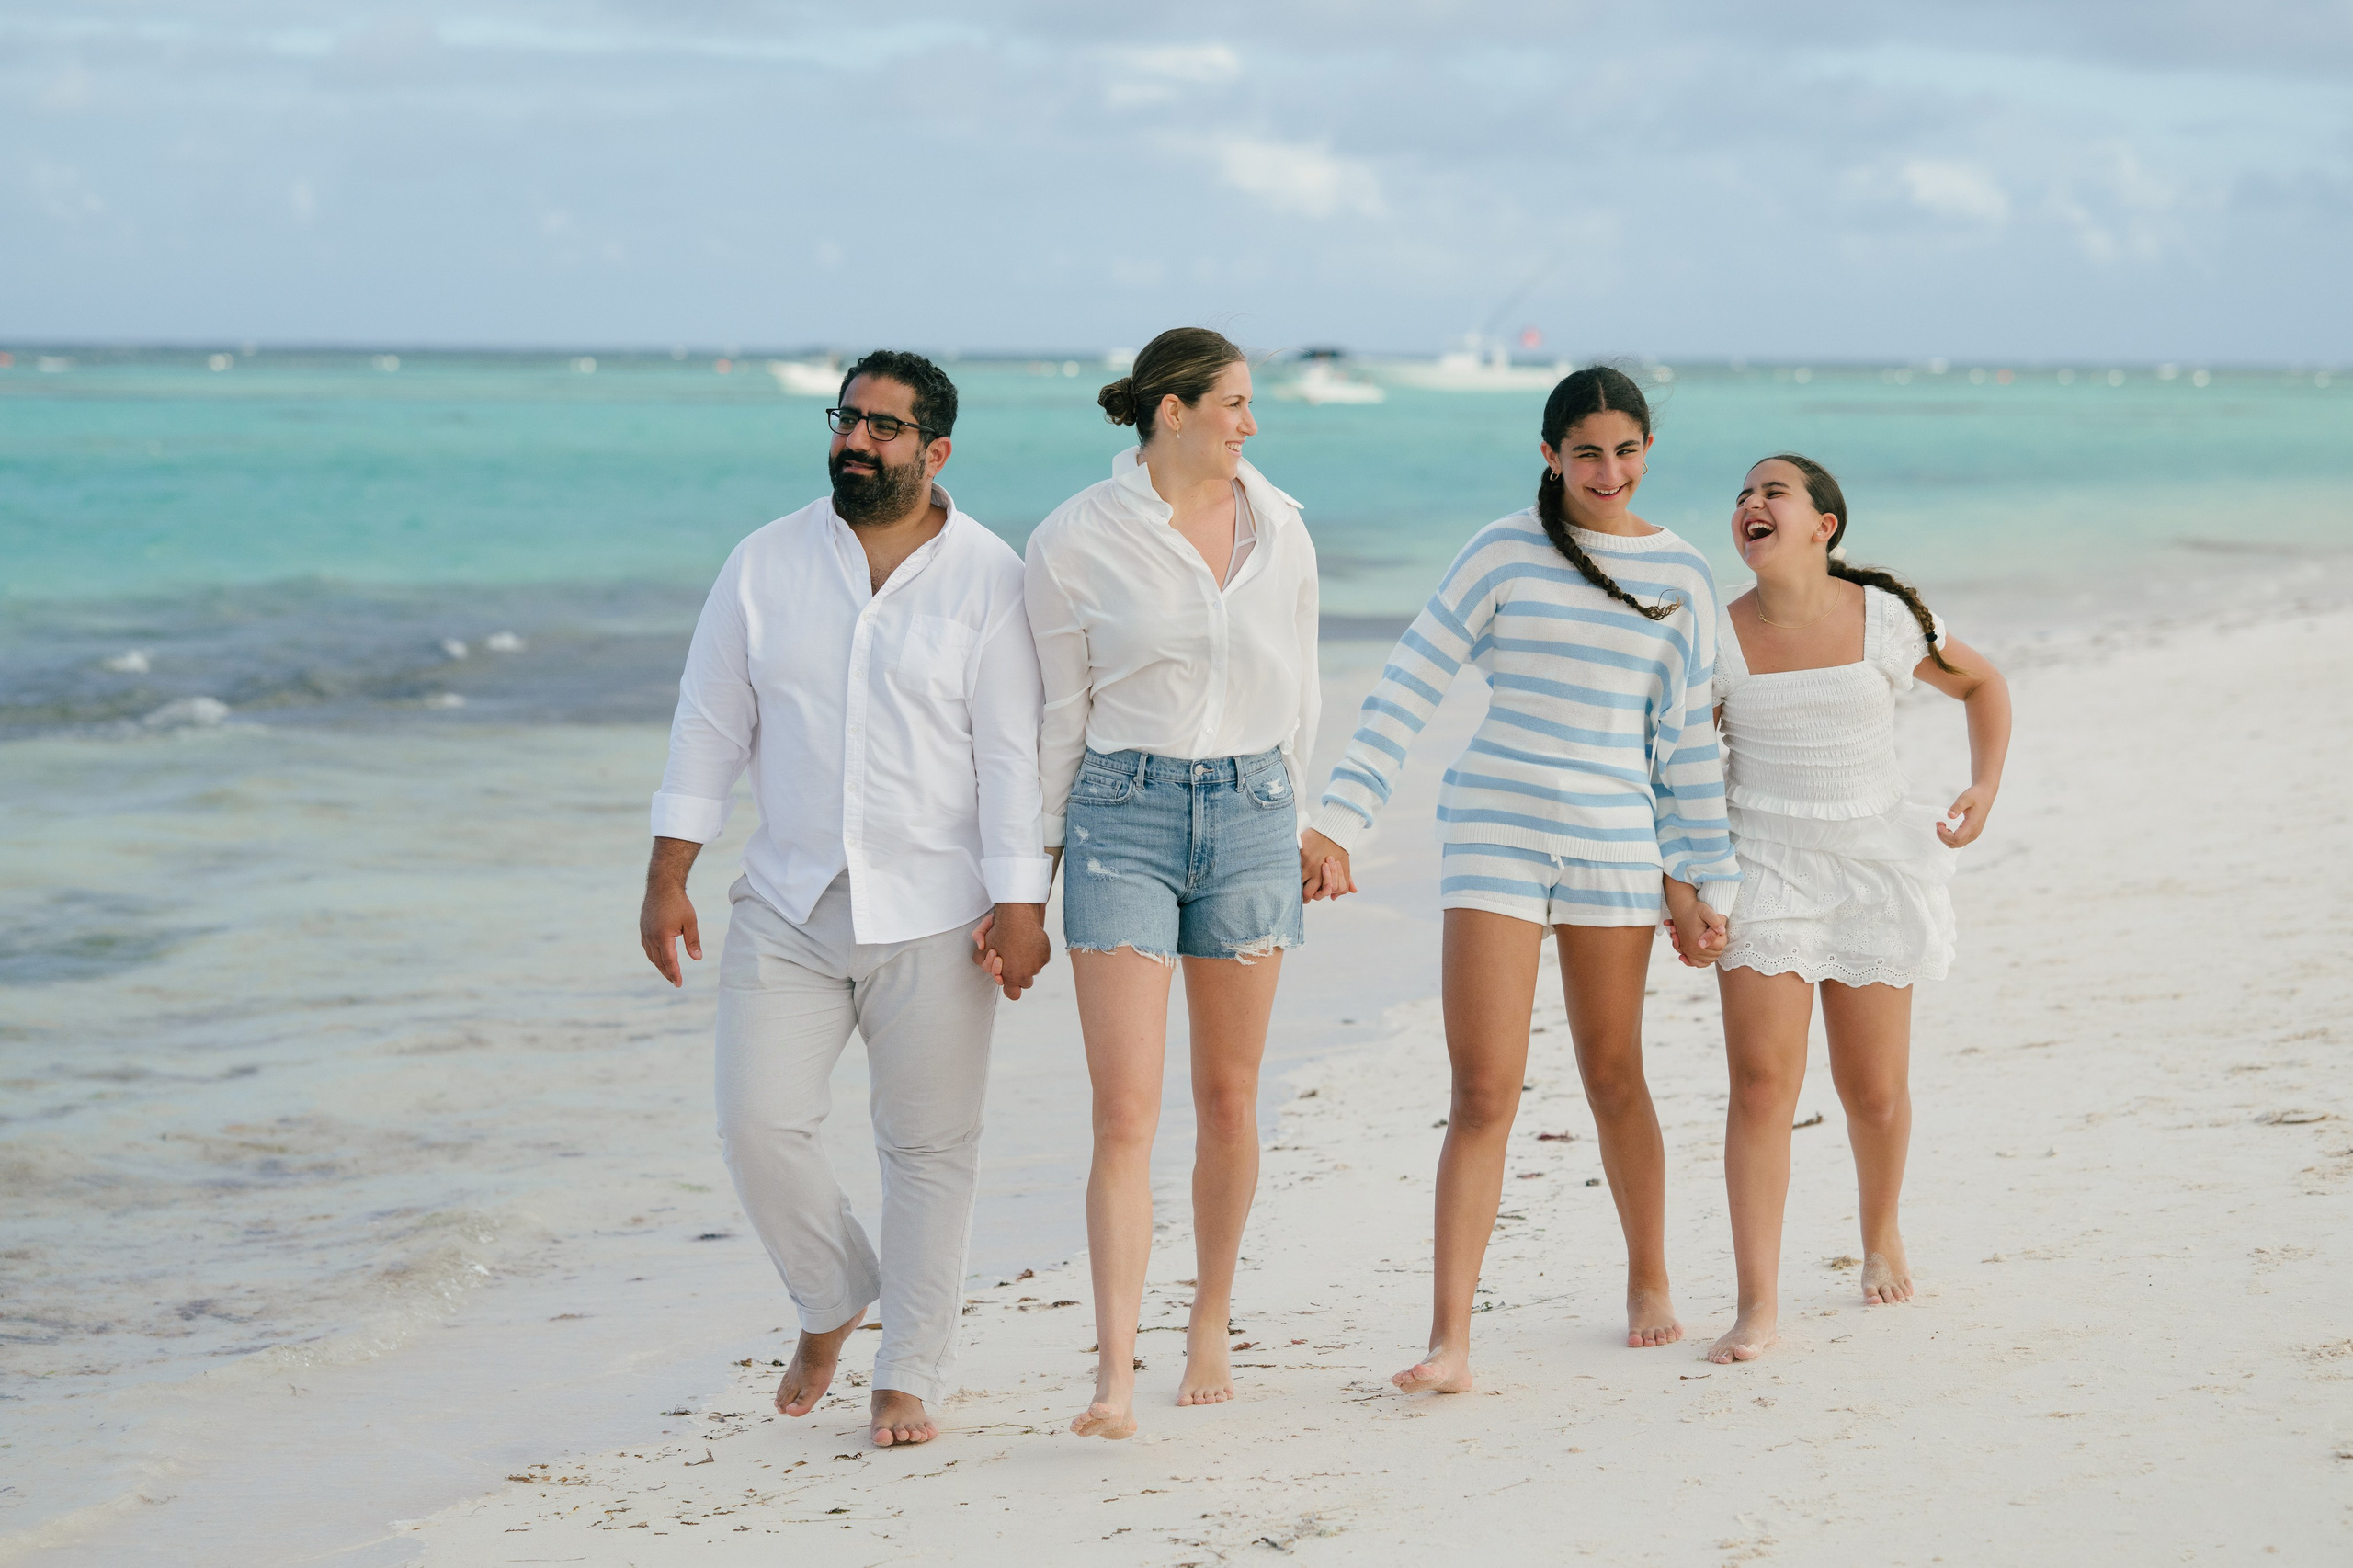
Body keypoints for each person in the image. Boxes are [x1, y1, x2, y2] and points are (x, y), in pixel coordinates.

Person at [637, 350, 1054, 1447]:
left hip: (936, 906)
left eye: (882, 427)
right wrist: (667, 873)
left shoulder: (992, 577)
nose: (855, 442)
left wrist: (1023, 901)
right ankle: (831, 1296)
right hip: (788, 896)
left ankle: (909, 1369)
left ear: (936, 449)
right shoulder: (763, 563)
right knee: (756, 1119)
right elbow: (709, 726)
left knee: (928, 1149)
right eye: (847, 420)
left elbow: (1013, 755)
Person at [1296, 365, 1739, 1394]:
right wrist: (1340, 818)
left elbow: (1683, 745)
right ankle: (1451, 1337)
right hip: (1494, 829)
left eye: (1626, 450)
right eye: (1585, 451)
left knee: (1613, 1072)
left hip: (1615, 841)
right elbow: (1409, 679)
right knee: (1482, 1087)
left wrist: (1701, 876)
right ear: (1550, 454)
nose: (1608, 470)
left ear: (1646, 452)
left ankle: (1648, 1275)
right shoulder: (1503, 547)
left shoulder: (1682, 574)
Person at [1017, 327, 1319, 1440]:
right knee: (1125, 1109)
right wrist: (1023, 882)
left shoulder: (1281, 527)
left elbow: (1305, 686)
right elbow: (1056, 720)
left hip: (1250, 812)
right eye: (1235, 403)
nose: (1250, 423)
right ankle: (1112, 1367)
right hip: (1119, 816)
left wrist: (1309, 817)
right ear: (1173, 411)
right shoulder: (1072, 540)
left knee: (1230, 1096)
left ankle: (1211, 1318)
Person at [1702, 453, 2010, 1365]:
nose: (1751, 504)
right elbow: (1676, 763)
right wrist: (1685, 884)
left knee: (1870, 1087)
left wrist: (1984, 786)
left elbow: (1983, 686)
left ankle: (1881, 1234)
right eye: (1741, 496)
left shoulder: (1887, 621)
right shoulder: (1713, 637)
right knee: (1762, 1086)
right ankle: (1756, 1300)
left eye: (1772, 492)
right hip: (1762, 864)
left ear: (1822, 525)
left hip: (1874, 862)